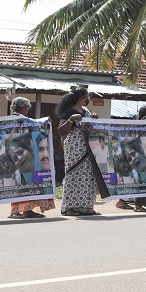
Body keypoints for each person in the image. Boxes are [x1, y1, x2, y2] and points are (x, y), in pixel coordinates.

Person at [8, 97, 55, 219]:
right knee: (20, 183)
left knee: (28, 183)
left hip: (26, 157)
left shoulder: (21, 120)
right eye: (27, 107)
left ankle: (27, 210)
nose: (28, 110)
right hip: (18, 157)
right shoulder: (15, 120)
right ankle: (15, 211)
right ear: (23, 107)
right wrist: (43, 121)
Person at [58, 88, 101, 216]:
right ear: (80, 98)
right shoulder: (69, 112)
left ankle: (86, 207)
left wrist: (91, 120)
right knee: (74, 175)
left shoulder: (86, 112)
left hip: (88, 147)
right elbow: (61, 131)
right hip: (74, 148)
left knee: (88, 176)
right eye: (85, 97)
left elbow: (90, 130)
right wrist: (70, 120)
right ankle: (70, 208)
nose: (87, 99)